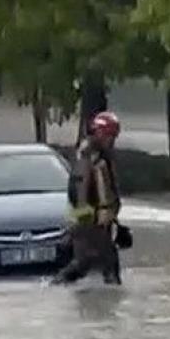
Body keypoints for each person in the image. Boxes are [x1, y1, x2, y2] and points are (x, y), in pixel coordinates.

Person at [52, 111, 123, 285]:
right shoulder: (87, 157)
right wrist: (86, 220)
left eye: (114, 136)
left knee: (85, 263)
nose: (111, 140)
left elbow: (107, 190)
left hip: (98, 220)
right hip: (88, 221)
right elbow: (80, 189)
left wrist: (113, 215)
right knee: (107, 262)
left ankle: (58, 284)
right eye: (108, 135)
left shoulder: (102, 156)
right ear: (98, 133)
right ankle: (56, 285)